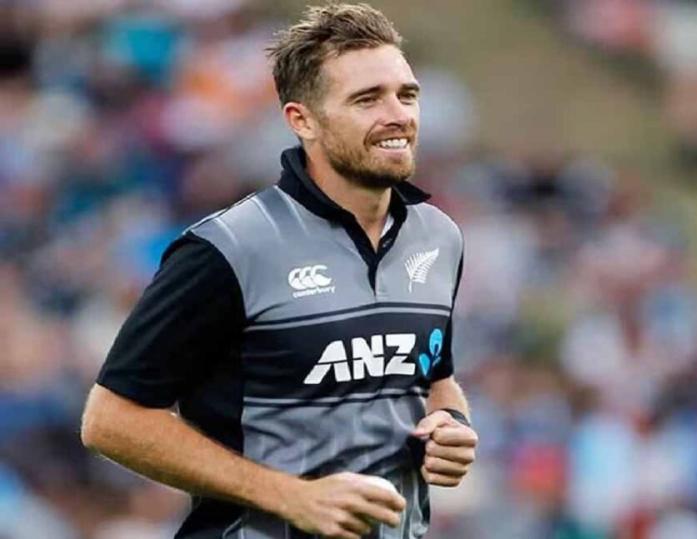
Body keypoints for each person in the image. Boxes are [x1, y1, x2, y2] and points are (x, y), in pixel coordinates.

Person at [80, 3, 478, 539]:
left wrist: (449, 424)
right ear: (302, 120)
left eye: (406, 95)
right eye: (366, 99)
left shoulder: (438, 237)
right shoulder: (229, 248)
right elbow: (110, 420)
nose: (398, 115)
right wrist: (290, 496)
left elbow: (435, 378)